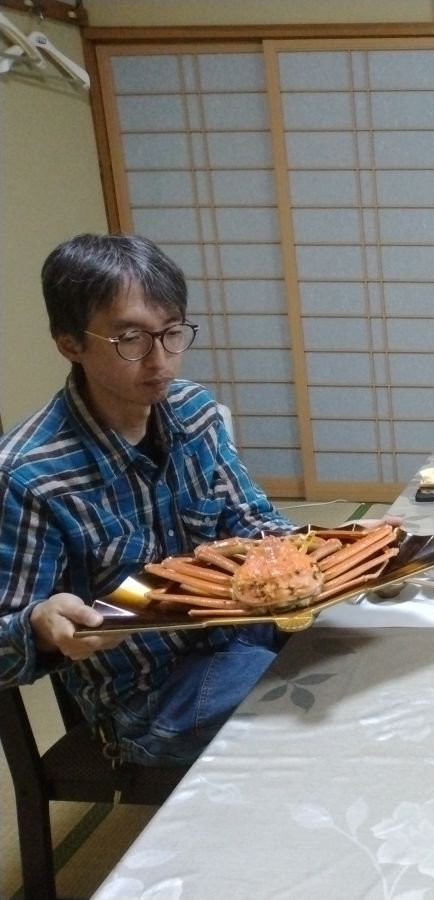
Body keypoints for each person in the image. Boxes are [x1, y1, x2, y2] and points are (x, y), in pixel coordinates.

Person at [0, 233, 298, 767]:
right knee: (320, 703)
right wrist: (41, 625)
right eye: (131, 339)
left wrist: (343, 550)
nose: (160, 360)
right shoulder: (30, 474)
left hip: (236, 634)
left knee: (365, 645)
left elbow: (256, 524)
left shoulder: (194, 411)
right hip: (148, 700)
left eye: (171, 333)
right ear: (70, 342)